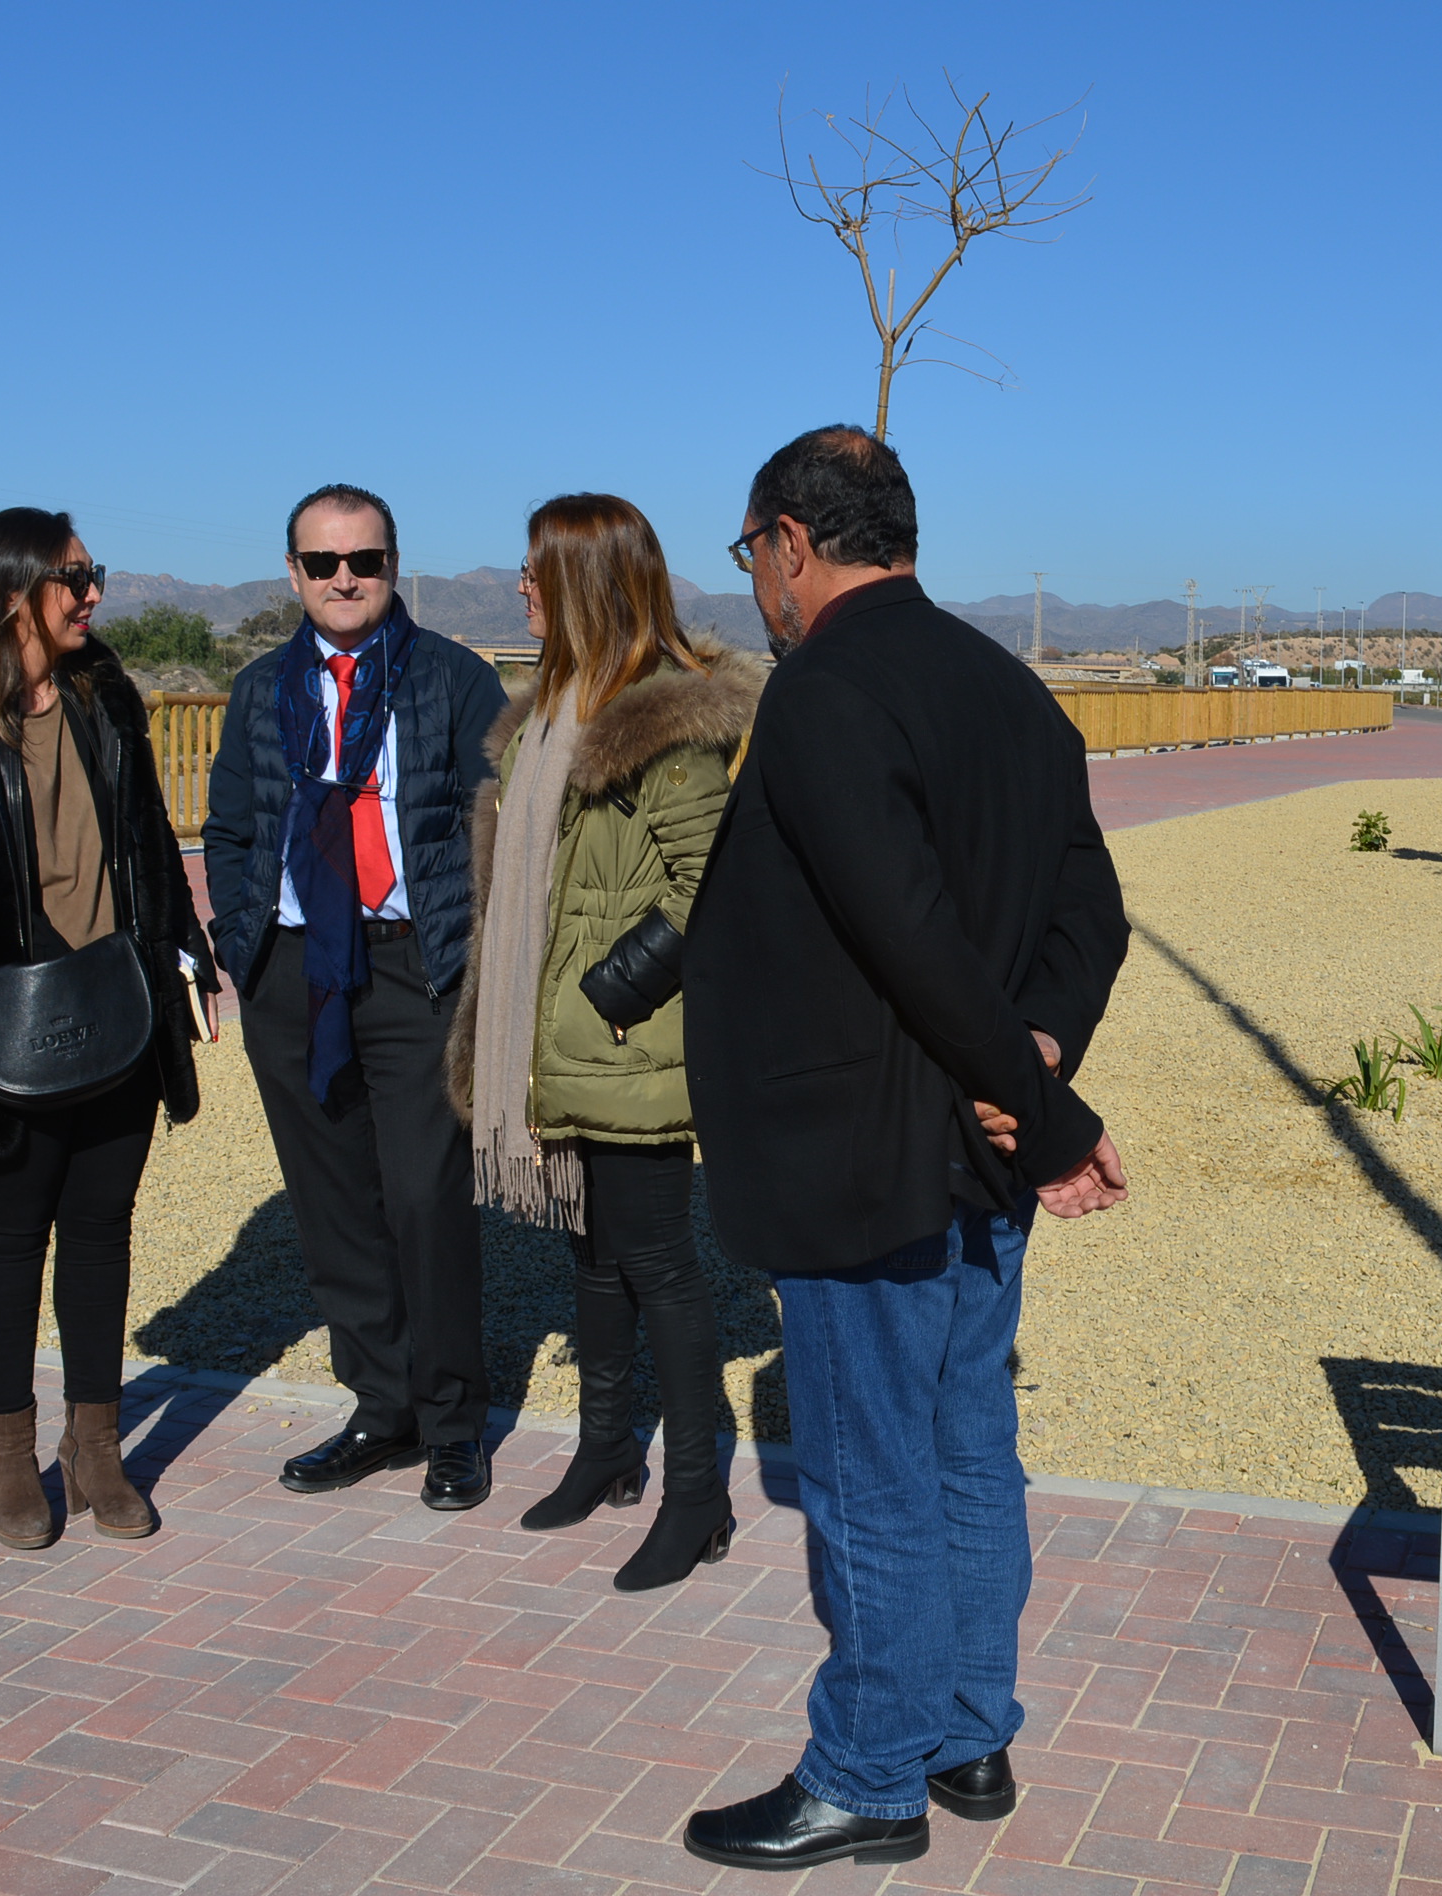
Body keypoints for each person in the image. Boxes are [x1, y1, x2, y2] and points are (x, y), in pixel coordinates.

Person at [678, 427, 1132, 1873]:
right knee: (966, 1445)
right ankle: (968, 1730)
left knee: (874, 1469)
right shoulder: (1008, 685)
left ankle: (870, 1772)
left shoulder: (824, 688)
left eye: (751, 553)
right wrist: (1036, 1055)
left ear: (792, 543)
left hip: (863, 1153)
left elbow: (907, 932)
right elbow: (1089, 912)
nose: (755, 583)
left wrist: (1037, 1103)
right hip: (975, 1145)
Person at [0, 507, 220, 1551]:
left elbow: (150, 836)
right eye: (76, 577)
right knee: (12, 1232)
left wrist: (189, 954)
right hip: (1, 1016)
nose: (94, 594)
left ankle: (95, 1448)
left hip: (118, 998)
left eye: (91, 573)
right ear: (15, 592)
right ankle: (8, 1454)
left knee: (103, 1228)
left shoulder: (102, 691)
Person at [444, 493, 761, 1589]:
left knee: (660, 1264)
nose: (520, 587)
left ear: (586, 585)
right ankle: (606, 1448)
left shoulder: (658, 724)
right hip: (554, 1039)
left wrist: (613, 988)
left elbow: (713, 882)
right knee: (589, 1253)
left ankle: (697, 1496)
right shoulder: (548, 717)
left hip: (625, 1038)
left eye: (536, 572)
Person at [201, 483, 509, 1510]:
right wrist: (243, 951)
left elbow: (495, 823)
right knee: (332, 1200)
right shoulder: (261, 688)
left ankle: (454, 1420)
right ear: (293, 573)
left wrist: (472, 955)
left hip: (414, 965)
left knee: (425, 1198)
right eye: (324, 562)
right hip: (294, 971)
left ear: (392, 567)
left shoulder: (453, 678)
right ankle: (384, 1406)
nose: (345, 579)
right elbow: (232, 827)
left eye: (364, 561)